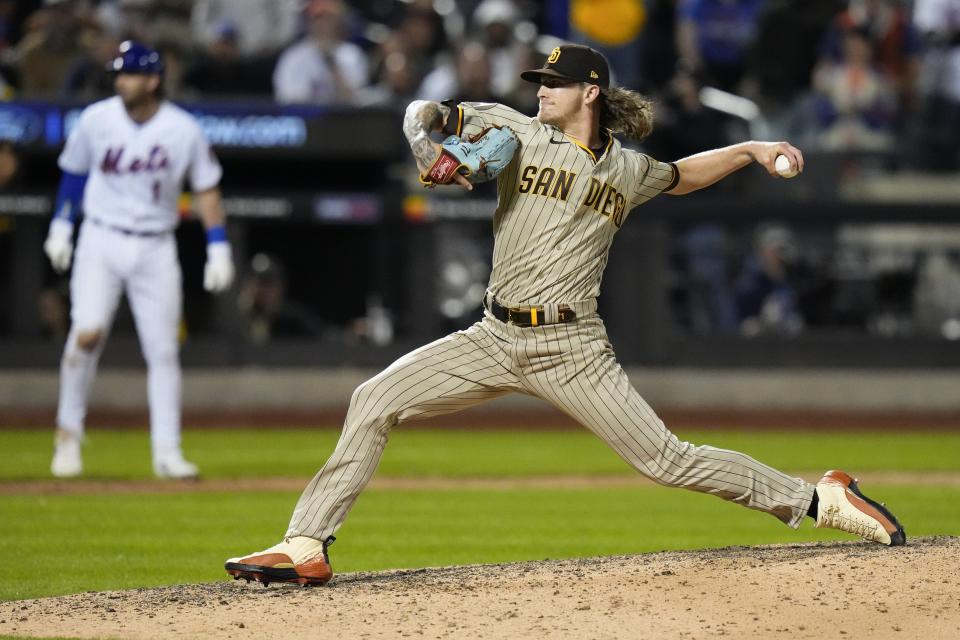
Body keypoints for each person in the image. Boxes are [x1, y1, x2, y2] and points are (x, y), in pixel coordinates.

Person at [225, 44, 905, 587]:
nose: (540, 90)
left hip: (572, 347)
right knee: (373, 398)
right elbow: (446, 126)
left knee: (668, 460)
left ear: (590, 92)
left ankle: (820, 500)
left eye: (553, 82)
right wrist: (425, 123)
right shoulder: (515, 129)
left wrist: (752, 151)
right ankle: (306, 544)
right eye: (539, 81)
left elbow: (682, 173)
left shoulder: (627, 171)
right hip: (491, 335)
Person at [44, 41, 235, 480]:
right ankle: (67, 435)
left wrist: (218, 243)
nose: (121, 80)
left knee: (164, 350)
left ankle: (167, 451)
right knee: (86, 333)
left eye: (129, 73)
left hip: (155, 245)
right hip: (100, 238)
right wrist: (60, 225)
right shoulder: (97, 118)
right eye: (119, 73)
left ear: (152, 80)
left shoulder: (182, 128)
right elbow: (73, 174)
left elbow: (206, 188)